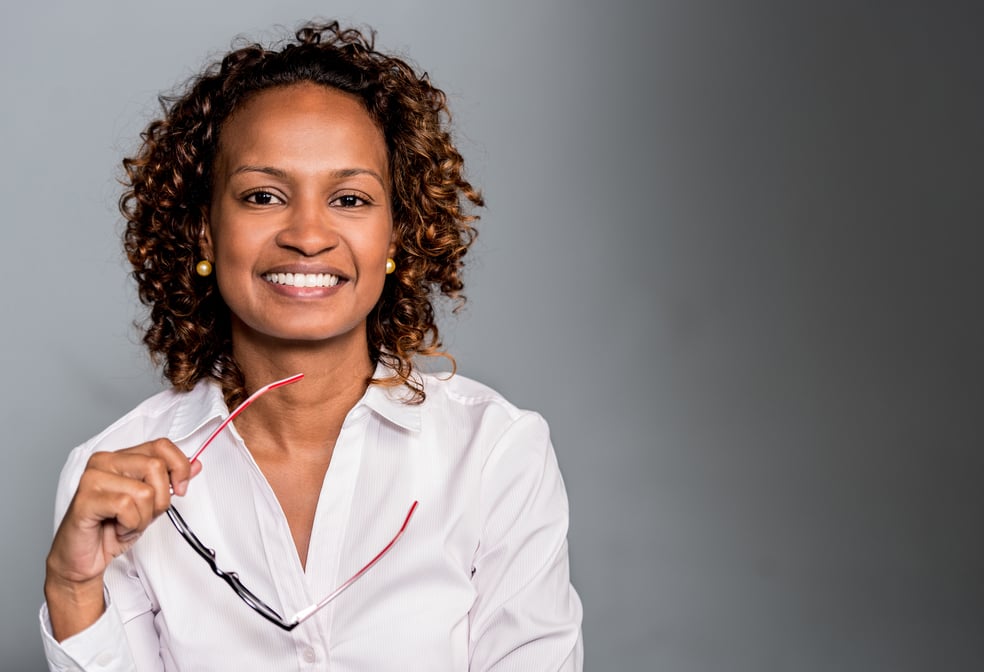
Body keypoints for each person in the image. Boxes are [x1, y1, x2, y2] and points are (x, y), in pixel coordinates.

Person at [40, 21, 582, 671]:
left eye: (349, 198)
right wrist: (74, 591)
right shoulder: (109, 475)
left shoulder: (495, 456)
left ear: (394, 238)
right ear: (206, 234)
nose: (307, 233)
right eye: (263, 195)